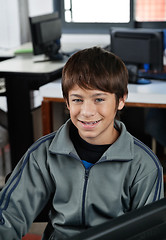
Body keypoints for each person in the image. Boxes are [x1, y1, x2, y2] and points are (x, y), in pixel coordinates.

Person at [0, 47, 164, 240]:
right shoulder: (42, 154)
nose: (86, 111)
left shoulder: (144, 165)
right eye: (77, 99)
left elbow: (150, 234)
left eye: (99, 99)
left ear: (121, 100)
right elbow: (8, 217)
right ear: (67, 103)